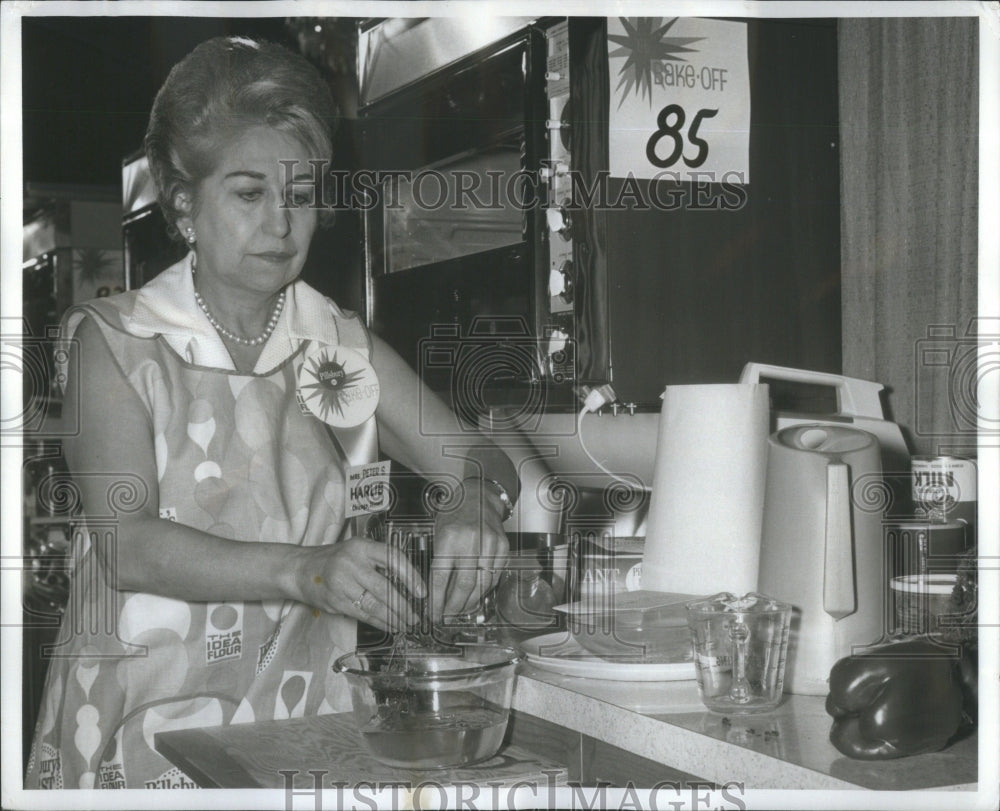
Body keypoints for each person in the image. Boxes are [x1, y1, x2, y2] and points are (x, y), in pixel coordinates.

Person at [25, 36, 517, 790]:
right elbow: (128, 543)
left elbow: (481, 459)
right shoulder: (119, 341)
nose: (282, 224)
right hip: (144, 727)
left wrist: (476, 501)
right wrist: (307, 572)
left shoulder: (340, 343)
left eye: (300, 194)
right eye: (249, 193)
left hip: (304, 723)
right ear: (185, 203)